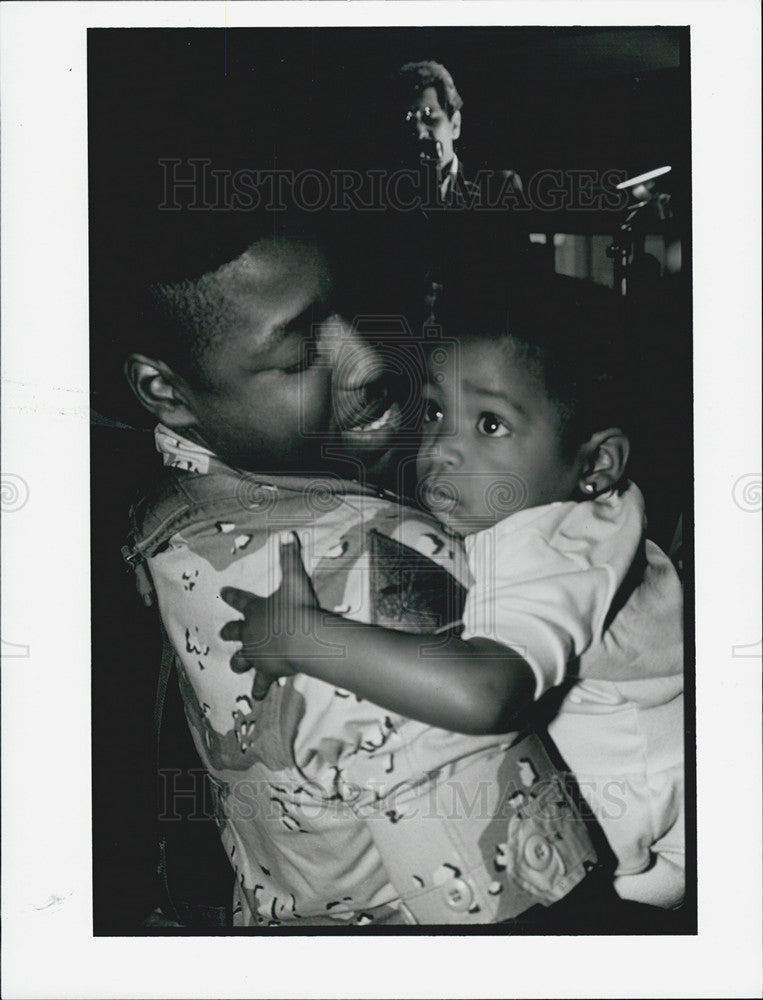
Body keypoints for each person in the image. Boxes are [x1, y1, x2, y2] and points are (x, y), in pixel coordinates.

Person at [221, 276, 686, 910]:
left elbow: (484, 691)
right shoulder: (590, 506)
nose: (441, 446)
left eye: (490, 423)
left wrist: (307, 637)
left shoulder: (548, 548)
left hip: (640, 862)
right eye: (438, 411)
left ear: (596, 463)